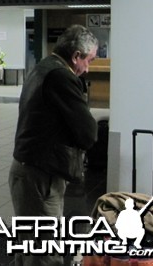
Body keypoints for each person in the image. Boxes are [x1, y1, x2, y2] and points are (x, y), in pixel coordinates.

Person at [8, 25, 98, 266]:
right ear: (76, 55)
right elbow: (88, 133)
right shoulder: (61, 76)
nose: (87, 68)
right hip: (40, 176)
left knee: (28, 248)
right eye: (88, 60)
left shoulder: (43, 67)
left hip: (28, 169)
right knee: (44, 252)